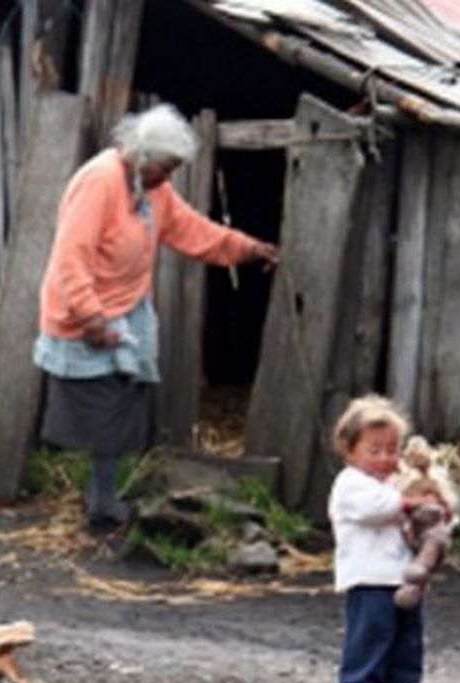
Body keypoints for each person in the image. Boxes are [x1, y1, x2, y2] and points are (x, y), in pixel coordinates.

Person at [34, 104, 278, 532]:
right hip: (87, 311)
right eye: (166, 167)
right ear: (143, 156)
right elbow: (71, 257)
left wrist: (246, 248)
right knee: (102, 405)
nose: (170, 177)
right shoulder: (100, 181)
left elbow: (191, 229)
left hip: (127, 309)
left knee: (123, 400)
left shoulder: (152, 189)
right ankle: (100, 498)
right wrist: (90, 316)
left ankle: (102, 494)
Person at [328, 395, 436, 683]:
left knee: (407, 635)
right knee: (371, 633)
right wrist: (409, 502)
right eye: (374, 451)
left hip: (402, 576)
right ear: (350, 450)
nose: (385, 458)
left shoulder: (394, 484)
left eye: (392, 450)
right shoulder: (351, 484)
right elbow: (375, 509)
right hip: (368, 576)